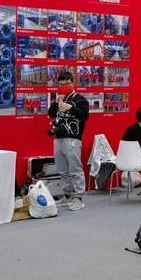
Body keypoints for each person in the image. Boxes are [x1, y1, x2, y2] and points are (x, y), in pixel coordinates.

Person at [48, 71, 90, 211]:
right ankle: (67, 195)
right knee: (62, 169)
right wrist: (56, 103)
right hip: (58, 138)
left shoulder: (80, 99)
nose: (63, 86)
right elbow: (51, 114)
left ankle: (79, 197)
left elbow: (84, 116)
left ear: (72, 83)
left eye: (66, 84)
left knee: (75, 168)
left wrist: (71, 108)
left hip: (73, 138)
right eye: (60, 84)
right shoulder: (60, 98)